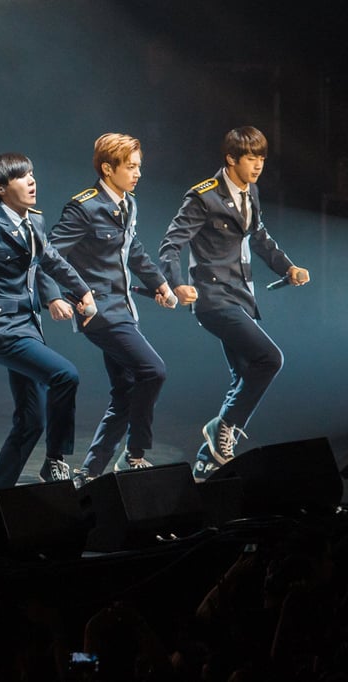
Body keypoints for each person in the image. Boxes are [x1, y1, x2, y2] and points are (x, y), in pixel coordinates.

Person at [158, 126, 309, 479]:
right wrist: (177, 285)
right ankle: (222, 428)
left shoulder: (250, 191)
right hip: (212, 298)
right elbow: (171, 244)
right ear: (231, 159)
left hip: (241, 295)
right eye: (251, 158)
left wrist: (288, 268)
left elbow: (258, 236)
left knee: (244, 374)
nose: (258, 165)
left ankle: (205, 463)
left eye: (261, 158)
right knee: (270, 359)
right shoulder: (203, 196)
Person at [0, 153, 94, 491]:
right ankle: (56, 460)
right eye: (22, 177)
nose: (31, 181)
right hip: (4, 331)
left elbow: (50, 261)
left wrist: (79, 292)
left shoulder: (34, 221)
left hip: (29, 327)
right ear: (1, 188)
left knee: (31, 422)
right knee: (65, 375)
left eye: (31, 174)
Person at [42, 133, 176, 486]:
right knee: (154, 371)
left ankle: (90, 472)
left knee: (127, 389)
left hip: (125, 308)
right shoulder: (84, 207)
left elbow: (134, 251)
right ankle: (136, 453)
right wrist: (59, 296)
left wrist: (160, 284)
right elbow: (49, 255)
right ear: (107, 168)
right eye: (131, 167)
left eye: (139, 167)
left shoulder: (128, 203)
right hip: (99, 312)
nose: (137, 174)